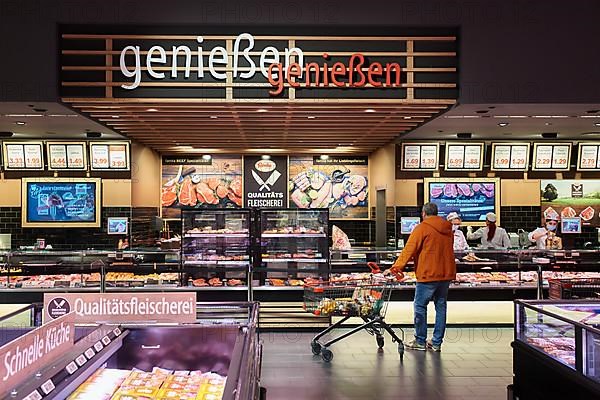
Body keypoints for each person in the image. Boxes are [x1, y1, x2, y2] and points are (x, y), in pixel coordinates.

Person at [385, 202, 456, 352]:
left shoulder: (422, 228)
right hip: (445, 274)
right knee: (441, 307)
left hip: (428, 274)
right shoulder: (448, 228)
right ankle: (436, 342)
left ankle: (420, 340)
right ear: (436, 213)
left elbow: (408, 250)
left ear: (423, 213)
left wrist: (395, 268)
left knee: (420, 306)